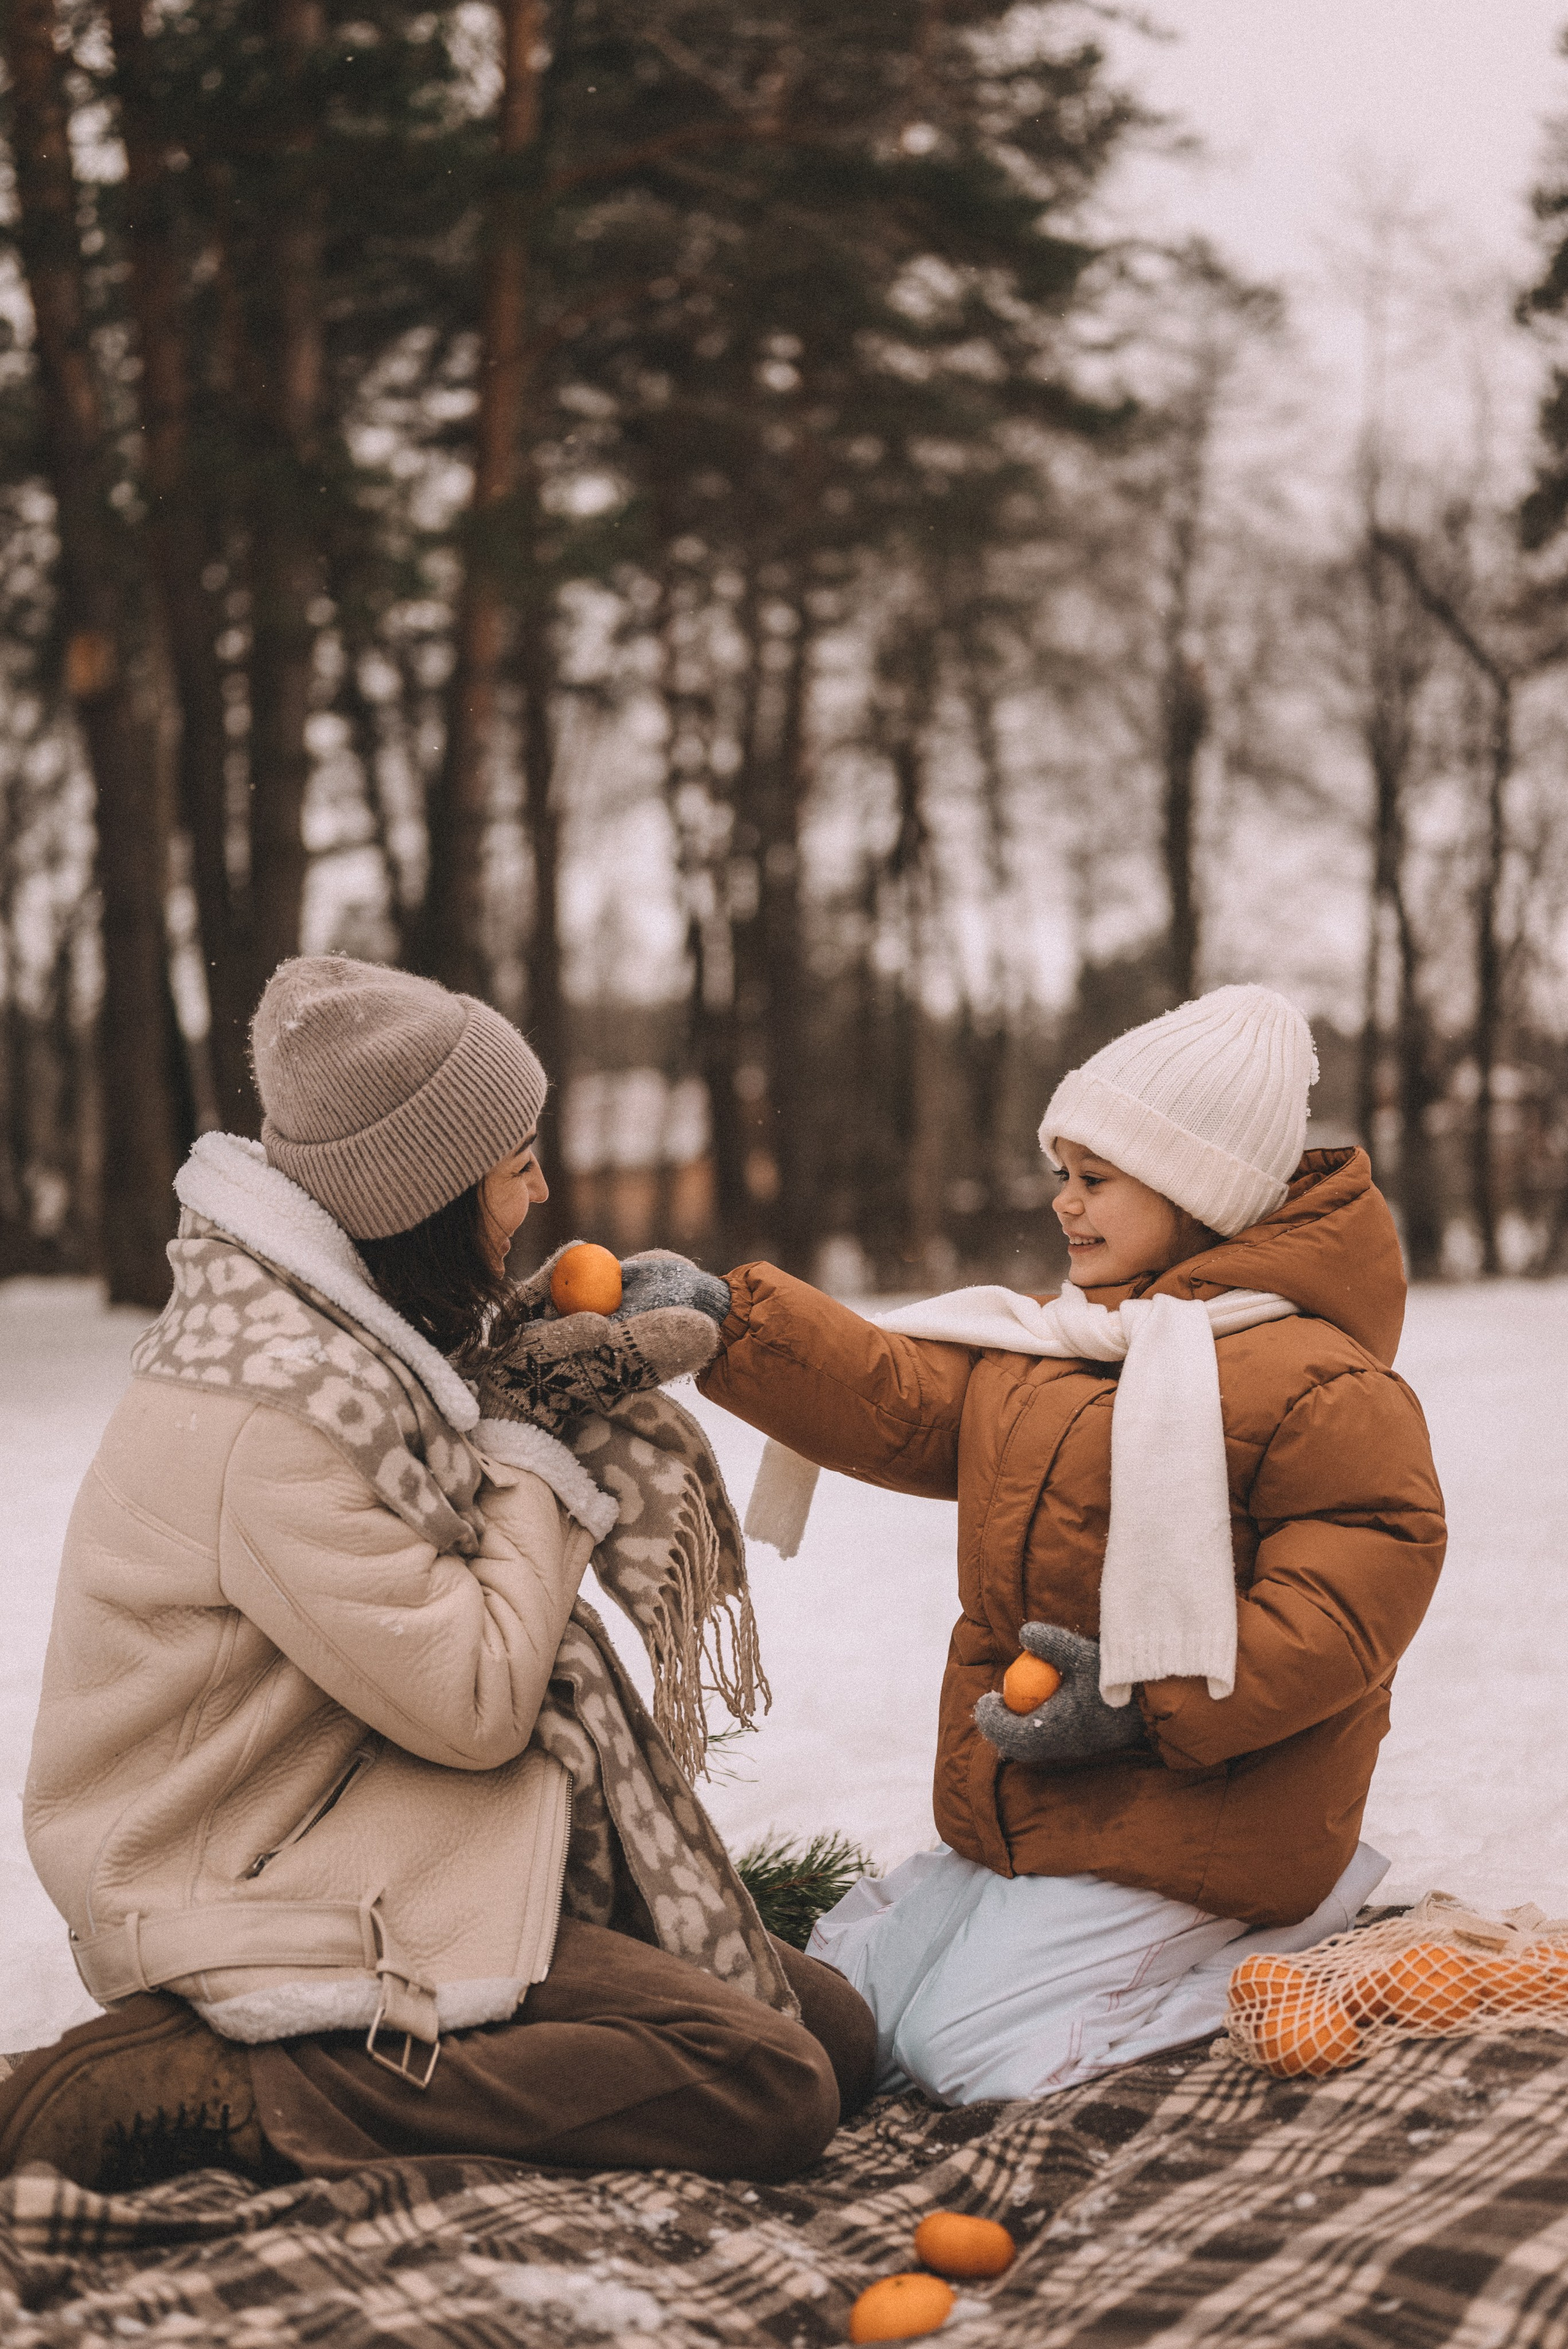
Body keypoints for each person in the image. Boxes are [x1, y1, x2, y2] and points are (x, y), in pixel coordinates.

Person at [1, 956, 873, 2190]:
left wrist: (527, 1341)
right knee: (771, 2084)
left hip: (372, 1808)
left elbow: (443, 1401)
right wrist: (529, 1437)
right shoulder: (277, 1415)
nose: (544, 1187)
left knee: (830, 2030)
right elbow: (473, 1704)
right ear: (423, 1194)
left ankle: (393, 2041)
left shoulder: (335, 1330)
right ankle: (223, 2083)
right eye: (518, 1163)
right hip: (251, 1874)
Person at [698, 984, 1448, 2103]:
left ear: (1197, 1193)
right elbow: (902, 1402)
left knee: (970, 2055)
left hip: (1207, 1825)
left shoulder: (1320, 1385)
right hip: (1042, 1805)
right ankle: (1040, 1942)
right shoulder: (1072, 1346)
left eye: (1094, 1180)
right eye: (1064, 1174)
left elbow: (1347, 1606)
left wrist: (1145, 1703)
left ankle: (1283, 1967)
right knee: (867, 2005)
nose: (1062, 1204)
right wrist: (730, 1322)